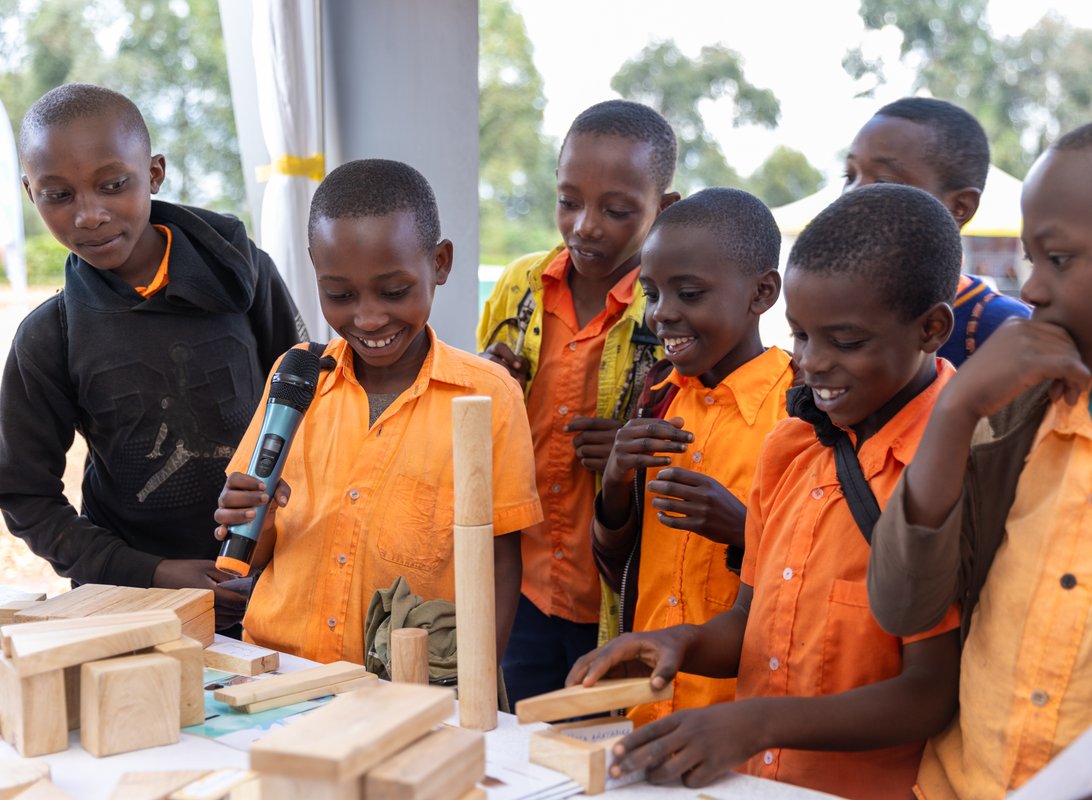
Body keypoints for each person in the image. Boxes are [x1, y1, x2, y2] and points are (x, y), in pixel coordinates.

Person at [572, 184, 964, 799]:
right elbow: (748, 624)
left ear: (931, 329)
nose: (810, 363)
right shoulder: (791, 445)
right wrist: (679, 642)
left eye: (847, 341)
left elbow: (930, 694)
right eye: (802, 336)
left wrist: (752, 722)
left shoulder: (951, 467)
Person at [867, 108, 1092, 799]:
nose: (1035, 288)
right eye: (1030, 261)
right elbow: (903, 605)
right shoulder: (1019, 415)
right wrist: (956, 413)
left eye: (1061, 258)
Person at [215, 159, 542, 665]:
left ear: (440, 263)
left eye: (394, 292)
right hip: (280, 678)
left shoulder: (488, 396)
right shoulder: (296, 377)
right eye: (340, 295)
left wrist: (475, 694)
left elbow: (498, 563)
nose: (367, 318)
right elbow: (248, 557)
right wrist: (251, 514)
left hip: (408, 694)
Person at [0, 83, 303, 627]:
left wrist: (279, 536)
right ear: (29, 192)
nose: (89, 215)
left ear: (155, 174)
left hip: (278, 583)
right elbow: (25, 495)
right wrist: (154, 572)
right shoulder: (50, 335)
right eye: (58, 195)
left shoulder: (244, 273)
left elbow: (313, 403)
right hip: (137, 605)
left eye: (113, 185)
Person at [476, 100, 679, 702]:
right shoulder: (519, 287)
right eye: (569, 201)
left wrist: (626, 450)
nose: (586, 225)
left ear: (663, 209)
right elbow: (473, 411)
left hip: (622, 596)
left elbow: (702, 438)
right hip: (524, 578)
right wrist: (486, 381)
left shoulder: (669, 312)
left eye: (617, 210)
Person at [592, 187, 795, 727]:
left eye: (689, 294)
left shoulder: (801, 413)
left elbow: (820, 573)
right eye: (652, 293)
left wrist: (742, 530)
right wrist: (615, 479)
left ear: (761, 294)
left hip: (742, 719)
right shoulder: (658, 396)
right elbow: (619, 566)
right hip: (646, 705)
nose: (663, 315)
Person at [844, 96, 1029, 365]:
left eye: (883, 180)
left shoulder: (1002, 330)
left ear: (959, 207)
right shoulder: (831, 307)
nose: (852, 194)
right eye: (849, 176)